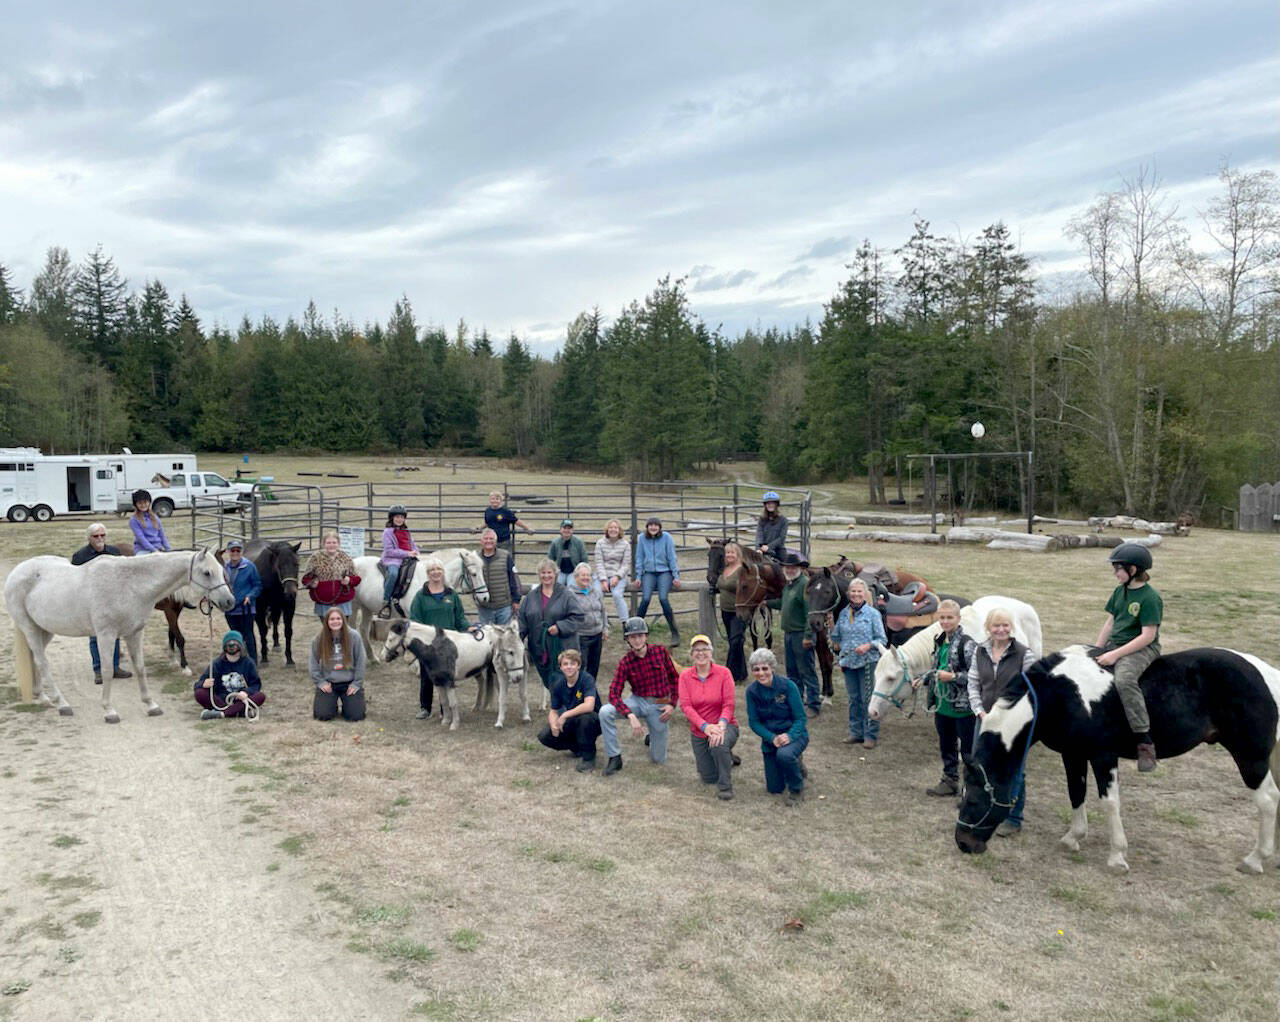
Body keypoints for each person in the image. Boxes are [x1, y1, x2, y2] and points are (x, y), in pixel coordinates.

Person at [967, 607, 1036, 836]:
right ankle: (985, 807)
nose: (1001, 629)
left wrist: (1011, 715)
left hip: (1013, 723)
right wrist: (979, 711)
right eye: (996, 625)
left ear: (1011, 628)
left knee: (1015, 769)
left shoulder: (1023, 654)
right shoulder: (980, 651)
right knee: (982, 766)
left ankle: (1014, 817)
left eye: (1005, 625)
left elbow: (1031, 690)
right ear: (989, 628)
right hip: (984, 719)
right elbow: (973, 683)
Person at [1094, 543, 1163, 772]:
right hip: (1117, 643)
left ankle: (1144, 740)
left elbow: (1148, 636)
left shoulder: (1150, 597)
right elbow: (1111, 621)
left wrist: (1114, 655)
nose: (1115, 573)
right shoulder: (1120, 590)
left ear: (1133, 569)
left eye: (1118, 569)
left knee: (1124, 679)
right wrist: (1097, 649)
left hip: (1142, 648)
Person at [599, 617, 680, 777]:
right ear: (627, 639)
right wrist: (629, 714)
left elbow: (675, 678)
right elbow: (613, 692)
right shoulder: (626, 662)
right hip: (637, 700)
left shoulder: (660, 652)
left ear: (646, 636)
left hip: (659, 702)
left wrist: (672, 704)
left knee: (659, 759)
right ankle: (614, 757)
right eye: (632, 637)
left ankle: (652, 734)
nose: (637, 640)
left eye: (640, 636)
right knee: (605, 711)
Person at [915, 599, 977, 797]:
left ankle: (970, 787)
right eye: (942, 617)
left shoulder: (967, 644)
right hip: (942, 706)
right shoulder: (939, 639)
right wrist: (924, 679)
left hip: (963, 708)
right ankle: (950, 780)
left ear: (958, 619)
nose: (945, 621)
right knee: (947, 745)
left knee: (968, 751)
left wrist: (953, 677)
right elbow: (937, 667)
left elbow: (976, 677)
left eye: (950, 617)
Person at [677, 634, 739, 800]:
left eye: (704, 649)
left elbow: (729, 704)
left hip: (724, 726)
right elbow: (686, 707)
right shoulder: (684, 676)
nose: (701, 653)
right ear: (691, 654)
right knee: (708, 777)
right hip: (699, 731)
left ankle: (725, 786)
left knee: (718, 744)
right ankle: (726, 757)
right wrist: (705, 726)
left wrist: (720, 726)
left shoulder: (724, 673)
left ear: (711, 652)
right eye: (696, 650)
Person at [744, 648, 808, 805]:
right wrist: (771, 738)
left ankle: (796, 789)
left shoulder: (788, 686)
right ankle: (794, 765)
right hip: (771, 741)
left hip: (795, 735)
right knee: (774, 788)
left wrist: (790, 736)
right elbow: (754, 722)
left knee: (785, 755)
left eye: (765, 668)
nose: (761, 673)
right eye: (756, 669)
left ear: (772, 668)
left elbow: (801, 718)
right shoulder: (751, 692)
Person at [829, 578, 887, 749]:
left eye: (859, 591)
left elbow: (882, 639)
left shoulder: (873, 614)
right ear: (848, 594)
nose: (856, 594)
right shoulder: (844, 613)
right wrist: (831, 625)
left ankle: (870, 735)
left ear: (864, 594)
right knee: (853, 699)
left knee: (867, 699)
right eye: (853, 591)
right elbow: (837, 637)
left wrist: (868, 645)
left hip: (867, 662)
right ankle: (856, 733)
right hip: (848, 662)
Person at [70, 523, 131, 685]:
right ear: (89, 538)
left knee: (115, 636)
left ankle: (115, 667)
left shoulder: (115, 553)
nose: (100, 539)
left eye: (102, 535)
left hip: (113, 602)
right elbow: (75, 583)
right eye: (96, 536)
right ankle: (98, 671)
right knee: (94, 637)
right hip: (92, 604)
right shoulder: (79, 556)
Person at [517, 559, 584, 687]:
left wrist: (560, 627)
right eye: (543, 573)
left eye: (549, 572)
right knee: (549, 683)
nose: (546, 576)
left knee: (565, 683)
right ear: (539, 574)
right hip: (539, 649)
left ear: (555, 574)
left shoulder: (566, 595)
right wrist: (516, 639)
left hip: (563, 648)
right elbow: (522, 621)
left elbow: (578, 617)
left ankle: (566, 706)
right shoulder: (530, 597)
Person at [769, 552, 819, 716]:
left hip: (800, 634)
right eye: (787, 567)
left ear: (799, 568)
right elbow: (783, 603)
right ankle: (797, 701)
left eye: (793, 567)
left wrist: (808, 635)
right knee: (792, 670)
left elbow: (810, 613)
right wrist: (766, 603)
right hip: (789, 634)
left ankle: (813, 704)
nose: (789, 570)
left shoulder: (804, 585)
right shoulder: (789, 585)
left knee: (806, 670)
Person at [537, 649, 602, 772]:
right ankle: (577, 747)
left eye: (572, 664)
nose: (569, 667)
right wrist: (553, 724)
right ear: (561, 667)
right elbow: (553, 710)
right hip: (573, 719)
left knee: (585, 719)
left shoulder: (586, 679)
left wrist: (565, 714)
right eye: (565, 664)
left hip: (594, 720)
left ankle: (589, 758)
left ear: (578, 665)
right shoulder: (559, 684)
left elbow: (589, 705)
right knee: (545, 735)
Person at [633, 517, 682, 646]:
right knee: (645, 599)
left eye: (656, 525)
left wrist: (676, 576)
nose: (653, 528)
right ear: (647, 527)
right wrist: (638, 576)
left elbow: (672, 557)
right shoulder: (642, 538)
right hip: (648, 572)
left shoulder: (666, 537)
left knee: (663, 599)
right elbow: (639, 557)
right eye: (651, 525)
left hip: (664, 572)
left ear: (660, 527)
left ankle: (674, 631)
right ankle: (634, 629)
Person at [311, 607, 367, 721]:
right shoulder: (319, 638)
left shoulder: (354, 636)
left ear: (343, 620)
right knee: (322, 715)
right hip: (329, 684)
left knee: (355, 716)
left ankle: (349, 704)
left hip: (349, 683)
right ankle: (330, 704)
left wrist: (356, 683)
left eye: (338, 618)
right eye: (332, 619)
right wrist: (320, 682)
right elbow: (313, 663)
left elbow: (361, 661)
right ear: (326, 621)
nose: (335, 621)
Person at [195, 630, 265, 720]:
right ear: (224, 647)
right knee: (200, 693)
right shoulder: (216, 664)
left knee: (260, 696)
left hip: (241, 699)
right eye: (229, 645)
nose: (232, 647)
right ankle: (237, 712)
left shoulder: (249, 663)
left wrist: (246, 692)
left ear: (240, 646)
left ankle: (222, 714)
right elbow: (197, 685)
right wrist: (203, 684)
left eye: (234, 645)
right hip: (221, 700)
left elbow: (256, 684)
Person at [301, 530, 358, 619]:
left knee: (342, 630)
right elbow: (305, 579)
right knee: (327, 630)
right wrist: (312, 583)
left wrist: (349, 580)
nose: (331, 545)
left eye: (334, 542)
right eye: (328, 543)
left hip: (343, 602)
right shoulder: (315, 558)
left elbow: (356, 579)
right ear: (323, 544)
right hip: (323, 603)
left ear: (338, 544)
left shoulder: (346, 558)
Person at [222, 538, 261, 664]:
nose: (235, 553)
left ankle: (253, 661)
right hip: (230, 608)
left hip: (246, 607)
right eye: (232, 550)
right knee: (235, 634)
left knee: (248, 634)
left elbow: (257, 585)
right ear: (228, 551)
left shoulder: (249, 566)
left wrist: (250, 596)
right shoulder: (224, 568)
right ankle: (239, 658)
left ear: (241, 552)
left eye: (237, 550)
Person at [378, 504, 419, 619]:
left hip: (408, 558)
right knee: (393, 574)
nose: (399, 519)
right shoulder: (387, 532)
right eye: (397, 517)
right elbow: (389, 551)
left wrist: (415, 551)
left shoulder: (406, 531)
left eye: (402, 517)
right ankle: (386, 602)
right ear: (392, 518)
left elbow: (412, 545)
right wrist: (407, 553)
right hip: (393, 559)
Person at [474, 527, 522, 625]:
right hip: (484, 607)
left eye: (491, 539)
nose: (488, 541)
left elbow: (514, 578)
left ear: (496, 541)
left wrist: (516, 600)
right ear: (481, 541)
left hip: (504, 606)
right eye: (486, 539)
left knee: (504, 636)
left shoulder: (506, 556)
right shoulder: (475, 559)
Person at [716, 541, 748, 682]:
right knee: (735, 642)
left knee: (735, 641)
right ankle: (741, 674)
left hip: (739, 611)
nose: (729, 555)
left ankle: (727, 673)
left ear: (738, 554)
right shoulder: (724, 569)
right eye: (727, 552)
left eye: (732, 552)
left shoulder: (743, 570)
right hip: (725, 610)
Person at [571, 562, 606, 680]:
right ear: (576, 577)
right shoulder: (570, 595)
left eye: (588, 575)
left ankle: (589, 693)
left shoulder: (596, 592)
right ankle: (578, 695)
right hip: (581, 637)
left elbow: (603, 611)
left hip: (597, 635)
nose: (586, 578)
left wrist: (605, 628)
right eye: (582, 575)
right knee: (581, 667)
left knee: (594, 667)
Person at [594, 519, 631, 626]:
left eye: (615, 528)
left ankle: (626, 623)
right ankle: (600, 622)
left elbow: (626, 564)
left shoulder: (625, 545)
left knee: (617, 595)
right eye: (611, 527)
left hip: (619, 576)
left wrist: (617, 577)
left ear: (619, 530)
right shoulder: (600, 543)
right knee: (597, 594)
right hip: (602, 575)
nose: (613, 530)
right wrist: (603, 579)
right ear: (607, 529)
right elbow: (599, 562)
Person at [547, 519, 587, 587]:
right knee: (557, 587)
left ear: (572, 530)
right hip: (560, 571)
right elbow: (550, 559)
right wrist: (553, 571)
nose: (566, 530)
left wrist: (580, 572)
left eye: (569, 528)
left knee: (572, 587)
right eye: (564, 528)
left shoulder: (578, 542)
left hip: (574, 571)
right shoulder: (555, 543)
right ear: (560, 530)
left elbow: (584, 559)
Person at [128, 489, 170, 554]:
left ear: (149, 502)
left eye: (145, 502)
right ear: (136, 504)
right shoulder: (134, 520)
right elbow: (141, 539)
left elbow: (162, 535)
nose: (143, 505)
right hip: (143, 550)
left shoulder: (155, 517)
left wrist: (168, 549)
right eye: (140, 503)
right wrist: (154, 550)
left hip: (158, 548)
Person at [755, 491, 788, 560]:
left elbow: (781, 538)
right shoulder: (762, 519)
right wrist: (758, 548)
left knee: (785, 564)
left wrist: (769, 546)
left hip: (777, 549)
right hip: (763, 549)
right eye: (768, 503)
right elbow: (759, 535)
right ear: (765, 505)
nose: (770, 505)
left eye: (773, 503)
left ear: (776, 504)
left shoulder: (783, 520)